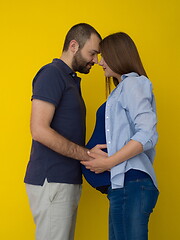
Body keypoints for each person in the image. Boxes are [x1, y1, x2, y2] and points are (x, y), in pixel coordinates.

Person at [24, 23, 106, 240]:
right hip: (52, 180)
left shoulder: (69, 80)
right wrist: (87, 155)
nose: (95, 60)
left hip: (64, 180)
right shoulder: (52, 74)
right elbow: (39, 130)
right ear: (73, 45)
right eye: (92, 53)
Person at [81, 32, 159, 240]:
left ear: (118, 55)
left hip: (131, 183)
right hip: (122, 186)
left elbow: (147, 133)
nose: (100, 62)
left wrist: (109, 163)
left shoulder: (133, 84)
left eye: (104, 56)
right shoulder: (120, 90)